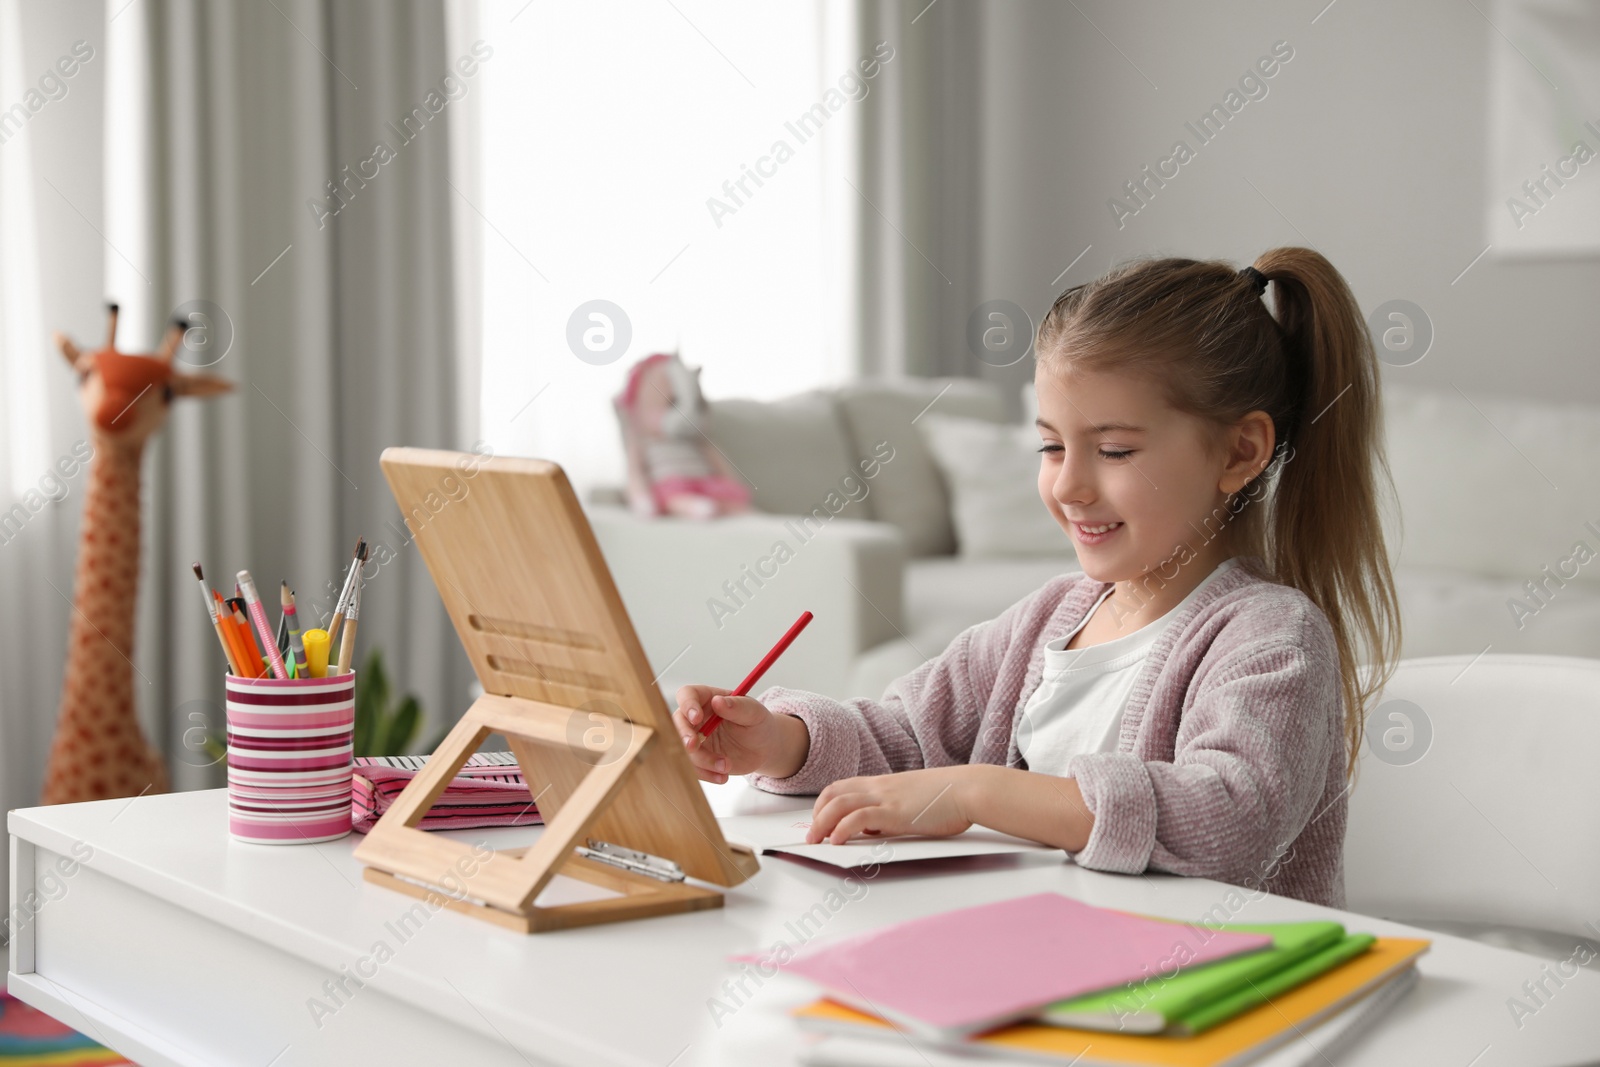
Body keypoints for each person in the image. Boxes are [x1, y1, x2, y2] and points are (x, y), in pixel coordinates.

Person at [672, 247, 1401, 908]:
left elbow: (1229, 821)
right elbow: (904, 737)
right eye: (1052, 446)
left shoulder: (1274, 637)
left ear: (1240, 452)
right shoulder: (1049, 618)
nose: (1070, 486)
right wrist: (778, 739)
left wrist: (975, 788)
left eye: (1113, 450)